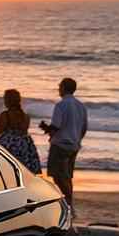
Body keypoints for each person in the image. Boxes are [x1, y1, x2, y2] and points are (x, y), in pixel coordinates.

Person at [39, 77, 88, 209]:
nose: (58, 88)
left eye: (60, 86)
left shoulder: (61, 105)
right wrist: (77, 140)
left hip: (60, 144)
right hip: (74, 145)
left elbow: (56, 127)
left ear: (64, 88)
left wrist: (45, 128)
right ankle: (69, 203)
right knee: (67, 176)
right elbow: (84, 128)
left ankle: (68, 202)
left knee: (58, 176)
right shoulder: (81, 106)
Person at [0, 89, 41, 174]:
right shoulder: (26, 116)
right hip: (24, 145)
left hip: (9, 145)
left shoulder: (5, 115)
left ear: (8, 101)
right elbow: (24, 131)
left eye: (5, 98)